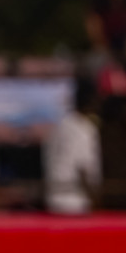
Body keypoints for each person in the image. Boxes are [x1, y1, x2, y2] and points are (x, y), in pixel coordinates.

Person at [43, 82, 101, 214]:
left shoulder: (57, 126)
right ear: (91, 102)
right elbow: (83, 168)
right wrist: (95, 199)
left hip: (53, 198)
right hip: (75, 201)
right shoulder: (84, 128)